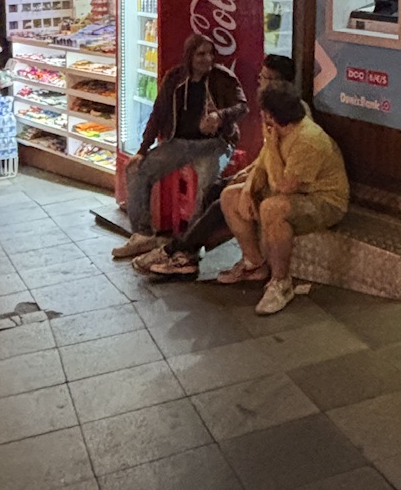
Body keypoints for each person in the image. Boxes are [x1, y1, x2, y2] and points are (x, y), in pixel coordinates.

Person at [146, 53, 297, 280]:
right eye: (261, 77)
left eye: (265, 78)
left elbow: (281, 164)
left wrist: (248, 182)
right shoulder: (271, 109)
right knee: (213, 189)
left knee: (222, 202)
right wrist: (246, 174)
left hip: (278, 182)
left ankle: (176, 250)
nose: (259, 83)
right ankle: (188, 256)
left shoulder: (289, 114)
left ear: (279, 84)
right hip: (265, 172)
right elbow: (267, 155)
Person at [111, 34, 247, 262]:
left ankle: (189, 245)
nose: (207, 59)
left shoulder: (222, 77)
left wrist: (220, 116)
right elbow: (158, 113)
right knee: (135, 169)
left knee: (206, 183)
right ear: (189, 56)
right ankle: (143, 234)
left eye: (210, 53)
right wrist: (143, 149)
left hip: (215, 144)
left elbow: (243, 106)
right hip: (179, 142)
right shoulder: (175, 78)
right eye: (200, 54)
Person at [216, 82, 348, 315]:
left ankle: (281, 283)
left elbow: (282, 186)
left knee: (271, 208)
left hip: (324, 201)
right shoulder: (278, 131)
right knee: (230, 196)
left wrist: (273, 145)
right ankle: (254, 264)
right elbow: (261, 163)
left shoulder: (307, 139)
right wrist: (247, 190)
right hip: (295, 193)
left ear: (270, 115)